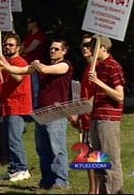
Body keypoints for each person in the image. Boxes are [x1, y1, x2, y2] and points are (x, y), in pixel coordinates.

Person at [0, 38, 73, 189]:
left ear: (64, 51)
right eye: (51, 48)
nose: (52, 51)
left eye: (56, 49)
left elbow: (43, 69)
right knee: (42, 149)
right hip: (41, 111)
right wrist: (5, 64)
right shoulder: (43, 66)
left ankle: (61, 181)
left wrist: (36, 64)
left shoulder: (65, 65)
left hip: (56, 112)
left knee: (56, 148)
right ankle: (47, 181)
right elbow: (21, 71)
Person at [87, 35, 125, 194]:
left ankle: (115, 191)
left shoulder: (112, 66)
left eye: (94, 46)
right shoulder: (99, 67)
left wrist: (98, 82)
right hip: (97, 117)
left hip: (108, 119)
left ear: (103, 47)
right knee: (99, 162)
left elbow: (119, 95)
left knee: (111, 162)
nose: (90, 50)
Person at [0, 32, 32, 182]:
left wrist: (7, 66)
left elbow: (18, 77)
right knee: (7, 140)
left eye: (11, 45)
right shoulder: (8, 62)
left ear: (18, 47)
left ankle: (22, 168)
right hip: (7, 106)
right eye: (6, 44)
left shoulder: (20, 62)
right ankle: (13, 169)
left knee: (14, 139)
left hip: (18, 107)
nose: (7, 47)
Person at [69, 34, 97, 194]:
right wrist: (77, 115)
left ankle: (95, 190)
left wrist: (81, 111)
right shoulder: (87, 69)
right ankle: (92, 189)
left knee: (95, 157)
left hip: (96, 118)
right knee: (87, 156)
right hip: (86, 118)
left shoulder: (97, 67)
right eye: (83, 45)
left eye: (88, 45)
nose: (85, 48)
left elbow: (96, 94)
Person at [22, 16, 47, 110]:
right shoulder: (29, 35)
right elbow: (22, 46)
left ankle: (35, 108)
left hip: (36, 65)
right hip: (27, 65)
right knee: (29, 87)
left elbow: (30, 48)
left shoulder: (40, 35)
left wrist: (22, 50)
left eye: (29, 22)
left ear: (35, 23)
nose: (27, 24)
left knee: (35, 88)